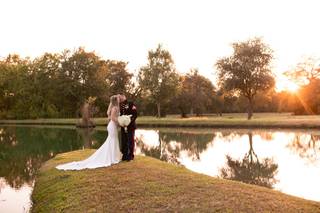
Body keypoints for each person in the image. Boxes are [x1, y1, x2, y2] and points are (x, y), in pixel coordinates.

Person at [56, 95, 122, 170]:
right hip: (112, 126)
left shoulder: (113, 108)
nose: (119, 100)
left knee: (112, 140)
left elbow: (108, 115)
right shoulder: (114, 108)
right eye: (118, 99)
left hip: (112, 126)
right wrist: (120, 122)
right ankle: (112, 157)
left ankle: (113, 155)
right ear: (115, 101)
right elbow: (113, 118)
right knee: (112, 140)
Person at [119, 94, 137, 161]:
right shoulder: (120, 105)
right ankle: (125, 155)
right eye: (119, 98)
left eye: (121, 97)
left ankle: (130, 156)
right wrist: (122, 123)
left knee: (130, 141)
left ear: (124, 97)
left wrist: (129, 122)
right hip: (123, 126)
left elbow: (135, 114)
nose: (120, 99)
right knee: (124, 141)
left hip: (130, 126)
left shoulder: (131, 103)